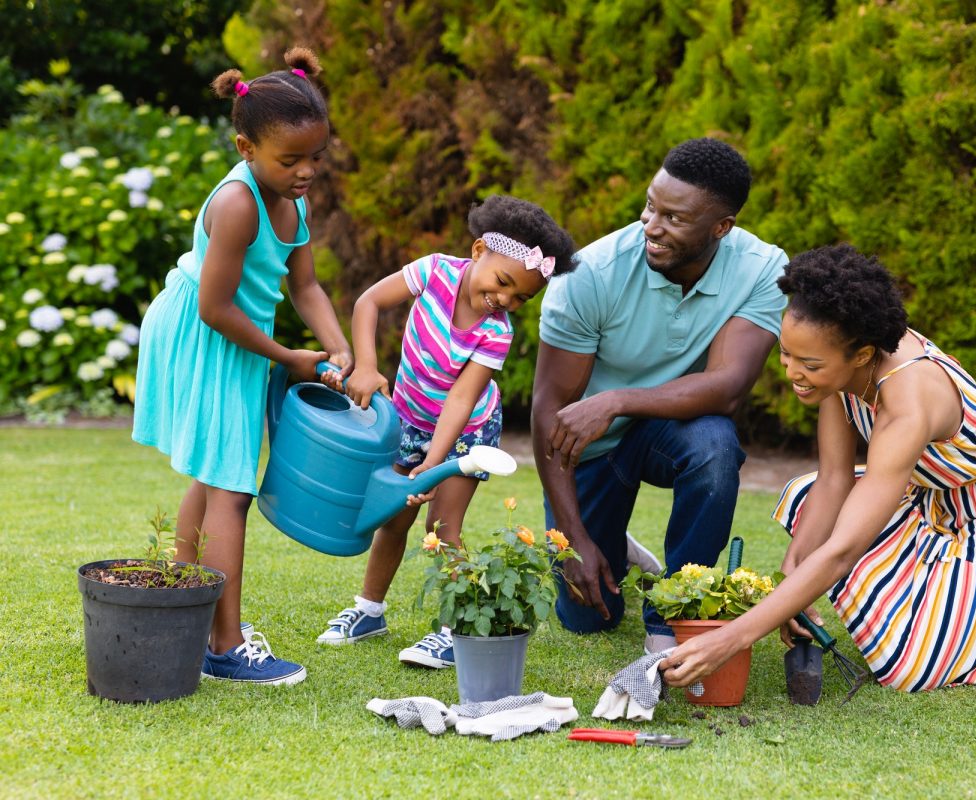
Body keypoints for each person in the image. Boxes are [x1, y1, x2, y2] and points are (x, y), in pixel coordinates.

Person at [660, 244, 976, 692]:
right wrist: (792, 580)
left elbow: (845, 548)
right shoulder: (841, 365)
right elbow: (834, 479)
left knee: (910, 672)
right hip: (927, 497)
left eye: (810, 364)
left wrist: (728, 641)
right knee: (806, 494)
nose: (792, 372)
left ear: (863, 355)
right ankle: (969, 608)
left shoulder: (908, 400)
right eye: (787, 354)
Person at [132, 48, 352, 685]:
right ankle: (224, 648)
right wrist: (291, 358)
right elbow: (214, 308)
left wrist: (341, 351)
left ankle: (186, 611)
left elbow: (305, 286)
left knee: (212, 475)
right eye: (291, 160)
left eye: (317, 156)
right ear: (245, 146)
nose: (307, 171)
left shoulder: (293, 196)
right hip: (207, 335)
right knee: (230, 487)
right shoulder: (238, 203)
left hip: (239, 339)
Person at [532, 137, 788, 654]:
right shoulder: (590, 275)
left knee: (716, 446)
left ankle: (672, 614)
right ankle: (609, 543)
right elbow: (548, 413)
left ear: (721, 228)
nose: (651, 225)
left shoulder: (761, 268)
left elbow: (728, 386)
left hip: (665, 430)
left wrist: (616, 401)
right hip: (591, 448)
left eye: (674, 218)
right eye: (651, 205)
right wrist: (574, 537)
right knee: (587, 618)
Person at [315, 195, 577, 669]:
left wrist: (433, 463)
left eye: (521, 298)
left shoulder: (497, 332)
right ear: (478, 251)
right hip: (408, 419)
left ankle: (455, 632)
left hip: (465, 435)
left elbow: (461, 397)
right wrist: (368, 366)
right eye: (502, 283)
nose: (506, 300)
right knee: (395, 518)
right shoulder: (434, 272)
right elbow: (368, 302)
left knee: (442, 526)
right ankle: (369, 610)